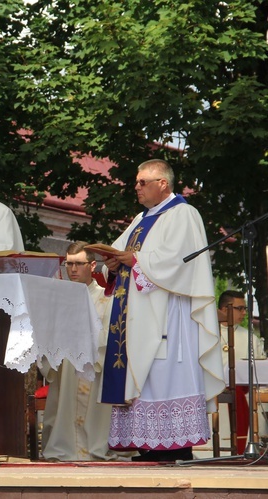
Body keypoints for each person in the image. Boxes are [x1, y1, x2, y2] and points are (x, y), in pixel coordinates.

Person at [98, 159, 224, 462]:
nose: (137, 187)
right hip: (138, 312)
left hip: (170, 311)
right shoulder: (141, 218)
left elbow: (177, 262)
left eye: (143, 182)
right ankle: (149, 446)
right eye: (137, 182)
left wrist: (135, 260)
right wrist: (112, 263)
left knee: (165, 371)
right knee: (145, 373)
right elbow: (119, 252)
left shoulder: (184, 214)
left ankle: (176, 447)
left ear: (163, 184)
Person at [40, 242, 117, 461]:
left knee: (93, 417)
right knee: (63, 411)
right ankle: (63, 447)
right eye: (69, 264)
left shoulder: (106, 297)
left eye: (79, 264)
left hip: (93, 367)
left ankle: (93, 448)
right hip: (67, 370)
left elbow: (108, 336)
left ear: (92, 265)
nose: (72, 269)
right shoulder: (59, 298)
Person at [216, 290, 266, 454]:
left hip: (244, 392)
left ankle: (251, 446)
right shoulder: (207, 333)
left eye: (245, 309)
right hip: (213, 389)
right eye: (240, 308)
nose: (244, 313)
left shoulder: (249, 337)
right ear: (224, 309)